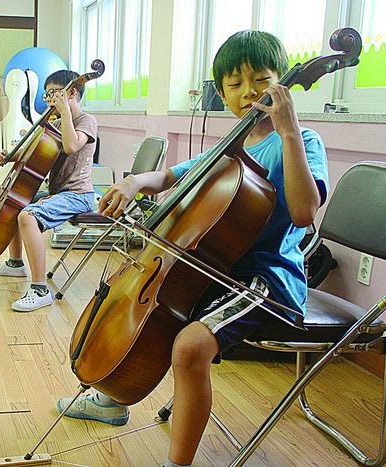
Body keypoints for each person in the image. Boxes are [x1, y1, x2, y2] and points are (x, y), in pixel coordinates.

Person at [56, 30, 329, 467]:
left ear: (281, 84)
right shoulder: (229, 148)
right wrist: (131, 182)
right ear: (220, 93)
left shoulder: (300, 141)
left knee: (189, 346)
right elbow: (170, 177)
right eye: (235, 84)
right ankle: (114, 395)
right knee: (152, 310)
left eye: (260, 79)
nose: (249, 92)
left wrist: (291, 131)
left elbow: (302, 213)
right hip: (215, 271)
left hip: (268, 280)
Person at [0, 70, 98, 312]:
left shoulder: (86, 121)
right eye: (47, 95)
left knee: (29, 215)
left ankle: (39, 289)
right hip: (60, 193)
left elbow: (70, 146)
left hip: (78, 195)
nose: (48, 100)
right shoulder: (56, 122)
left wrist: (65, 111)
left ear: (71, 93)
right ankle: (16, 264)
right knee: (16, 202)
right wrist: (8, 156)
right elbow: (31, 149)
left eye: (53, 94)